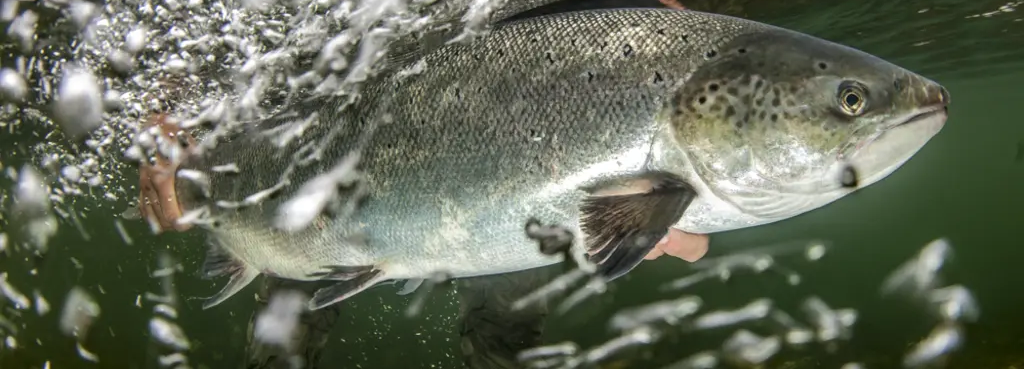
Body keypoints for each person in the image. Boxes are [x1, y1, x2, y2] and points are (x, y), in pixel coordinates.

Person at [135, 114, 710, 368]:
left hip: (516, 185)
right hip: (328, 152)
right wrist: (167, 134)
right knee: (289, 298)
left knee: (504, 332)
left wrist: (675, 219)